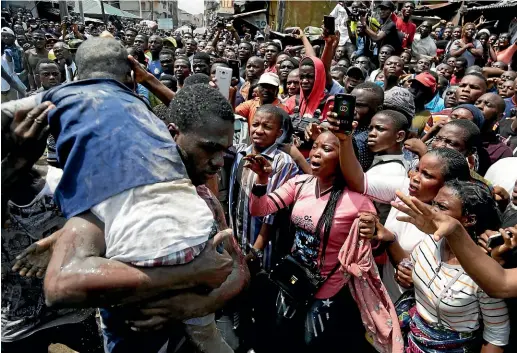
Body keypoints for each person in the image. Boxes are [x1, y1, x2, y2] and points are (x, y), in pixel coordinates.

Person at [245, 130, 402, 353]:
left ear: (345, 159)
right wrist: (262, 180)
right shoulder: (300, 184)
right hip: (294, 278)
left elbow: (371, 252)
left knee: (314, 341)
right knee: (283, 331)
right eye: (316, 146)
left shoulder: (358, 202)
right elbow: (259, 208)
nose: (316, 153)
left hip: (329, 288)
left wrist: (377, 238)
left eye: (327, 149)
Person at [1, 103, 103, 353]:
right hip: (16, 321)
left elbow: (106, 222)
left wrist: (63, 240)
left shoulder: (61, 184)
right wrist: (15, 165)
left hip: (74, 310)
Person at [391, 181, 510, 353]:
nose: (432, 211)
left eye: (441, 207)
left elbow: (496, 335)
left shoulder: (484, 273)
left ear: (469, 220)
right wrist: (403, 271)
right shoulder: (430, 241)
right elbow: (411, 271)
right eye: (433, 203)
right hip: (411, 340)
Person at [229, 105, 299, 271]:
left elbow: (272, 213)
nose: (259, 131)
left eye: (267, 127)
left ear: (279, 133)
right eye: (255, 124)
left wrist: (257, 250)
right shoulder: (240, 154)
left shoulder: (283, 162)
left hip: (262, 247)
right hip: (236, 239)